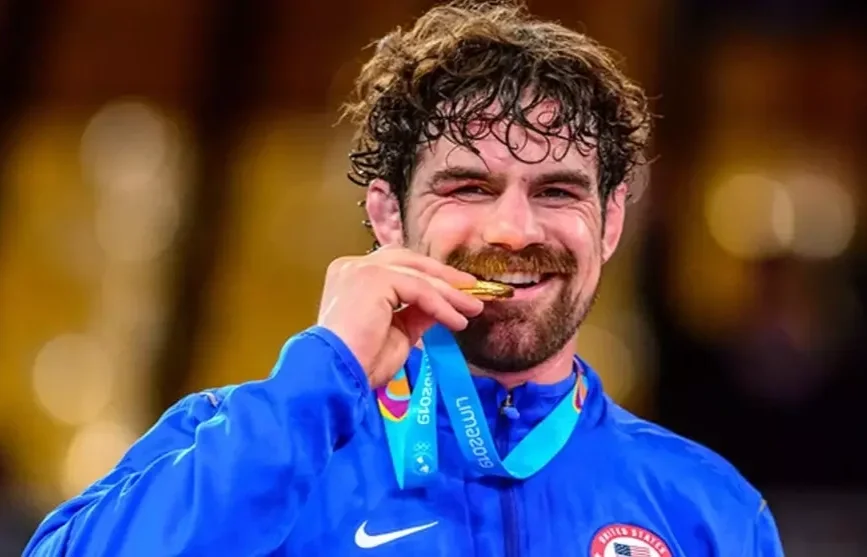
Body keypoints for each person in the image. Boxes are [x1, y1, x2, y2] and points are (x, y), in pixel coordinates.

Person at [25, 1, 785, 556]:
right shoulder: (246, 444)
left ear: (611, 222)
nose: (514, 230)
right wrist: (321, 377)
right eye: (469, 187)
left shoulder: (706, 508)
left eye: (556, 191)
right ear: (387, 215)